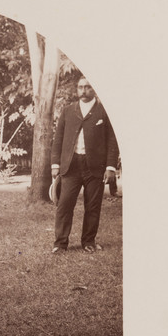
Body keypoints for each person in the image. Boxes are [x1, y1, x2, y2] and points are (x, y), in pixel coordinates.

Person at [50, 77, 119, 253]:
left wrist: (110, 167)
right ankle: (60, 244)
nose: (83, 90)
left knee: (93, 206)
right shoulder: (68, 111)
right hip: (71, 165)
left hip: (95, 166)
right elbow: (58, 139)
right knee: (64, 204)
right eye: (80, 87)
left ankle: (88, 242)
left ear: (94, 89)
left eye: (87, 87)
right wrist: (55, 164)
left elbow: (113, 140)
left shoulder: (105, 111)